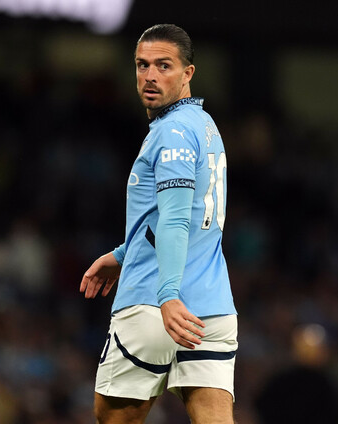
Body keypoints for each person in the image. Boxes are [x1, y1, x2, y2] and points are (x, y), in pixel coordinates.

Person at [79, 24, 237, 424]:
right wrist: (122, 254)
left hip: (155, 302)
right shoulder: (204, 126)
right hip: (212, 308)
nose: (150, 76)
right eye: (142, 65)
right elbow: (190, 216)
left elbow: (176, 218)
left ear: (188, 73)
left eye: (163, 65)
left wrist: (167, 295)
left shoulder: (171, 132)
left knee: (113, 418)